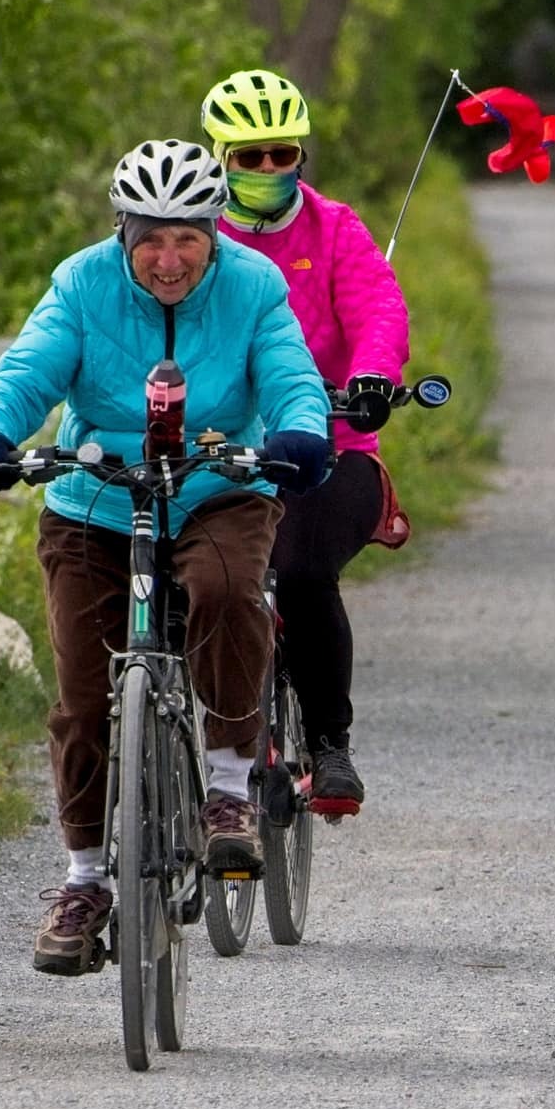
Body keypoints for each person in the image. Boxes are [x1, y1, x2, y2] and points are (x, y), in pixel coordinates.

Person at [0, 138, 332, 976]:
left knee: (228, 592)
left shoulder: (256, 288)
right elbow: (25, 373)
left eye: (186, 238)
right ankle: (85, 883)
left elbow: (291, 376)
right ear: (122, 231)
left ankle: (229, 790)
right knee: (85, 698)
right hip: (97, 498)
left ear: (214, 231)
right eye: (149, 237)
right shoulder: (82, 282)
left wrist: (301, 433)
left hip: (216, 485)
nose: (167, 258)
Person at [199, 69, 412, 818]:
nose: (265, 169)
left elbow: (379, 310)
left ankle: (329, 744)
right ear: (218, 156)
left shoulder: (335, 229)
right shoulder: (190, 239)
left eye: (280, 153)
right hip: (216, 446)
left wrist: (375, 377)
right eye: (248, 156)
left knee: (300, 567)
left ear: (301, 155)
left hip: (331, 443)